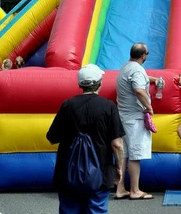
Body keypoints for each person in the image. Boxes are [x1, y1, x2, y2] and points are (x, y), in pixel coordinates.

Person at [46, 64, 125, 213]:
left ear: (80, 84)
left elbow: (52, 138)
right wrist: (119, 168)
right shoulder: (108, 107)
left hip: (68, 172)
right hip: (100, 173)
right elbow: (117, 144)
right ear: (99, 83)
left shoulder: (68, 105)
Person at [115, 42, 164, 200]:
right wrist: (149, 107)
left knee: (124, 154)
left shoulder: (126, 66)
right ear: (143, 55)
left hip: (123, 115)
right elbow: (138, 90)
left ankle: (120, 188)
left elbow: (138, 78)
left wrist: (153, 79)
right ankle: (135, 190)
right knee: (135, 155)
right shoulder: (137, 70)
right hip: (134, 118)